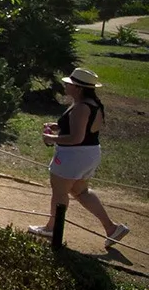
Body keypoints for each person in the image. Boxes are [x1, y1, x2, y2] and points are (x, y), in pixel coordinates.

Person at [29, 68, 129, 249]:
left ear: (79, 88)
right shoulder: (91, 104)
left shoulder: (81, 107)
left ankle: (51, 228)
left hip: (73, 155)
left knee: (59, 191)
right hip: (89, 153)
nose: (66, 85)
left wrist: (50, 138)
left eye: (70, 83)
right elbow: (84, 130)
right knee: (80, 191)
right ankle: (112, 228)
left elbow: (76, 138)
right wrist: (58, 126)